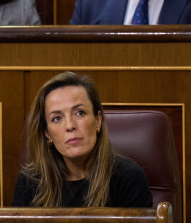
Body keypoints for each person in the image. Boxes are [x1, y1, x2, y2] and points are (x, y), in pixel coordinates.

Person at [12, 72, 152, 207]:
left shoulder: (128, 178)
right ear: (47, 133)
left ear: (97, 121)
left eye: (80, 113)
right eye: (57, 118)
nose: (70, 125)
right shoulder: (29, 182)